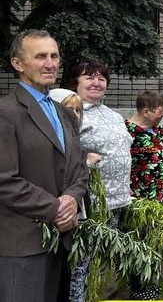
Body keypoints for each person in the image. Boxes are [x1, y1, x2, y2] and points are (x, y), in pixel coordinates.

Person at [0, 30, 88, 302]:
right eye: (40, 56)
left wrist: (73, 199)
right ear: (18, 64)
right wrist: (56, 208)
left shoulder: (64, 112)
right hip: (23, 245)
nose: (50, 63)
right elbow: (5, 180)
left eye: (54, 56)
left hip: (61, 240)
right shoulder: (6, 112)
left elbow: (78, 167)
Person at [72, 59, 134, 302]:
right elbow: (60, 153)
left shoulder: (113, 114)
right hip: (91, 203)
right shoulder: (72, 111)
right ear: (75, 82)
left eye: (101, 78)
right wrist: (83, 158)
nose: (96, 82)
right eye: (89, 77)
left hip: (118, 201)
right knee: (82, 264)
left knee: (102, 262)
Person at [125, 90, 163, 299]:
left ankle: (151, 280)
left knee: (156, 242)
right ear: (146, 111)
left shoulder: (159, 131)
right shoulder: (128, 133)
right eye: (160, 111)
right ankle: (139, 287)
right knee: (140, 243)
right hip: (142, 200)